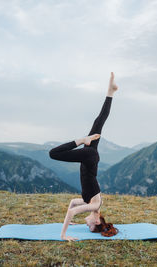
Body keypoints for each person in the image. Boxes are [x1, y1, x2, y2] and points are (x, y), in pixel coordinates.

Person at [49, 72, 118, 241]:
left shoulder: (92, 204)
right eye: (90, 226)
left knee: (99, 121)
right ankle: (81, 140)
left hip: (91, 158)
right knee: (53, 154)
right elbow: (73, 211)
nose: (87, 224)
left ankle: (111, 92)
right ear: (96, 221)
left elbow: (73, 204)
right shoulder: (94, 205)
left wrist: (69, 222)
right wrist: (64, 235)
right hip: (88, 157)